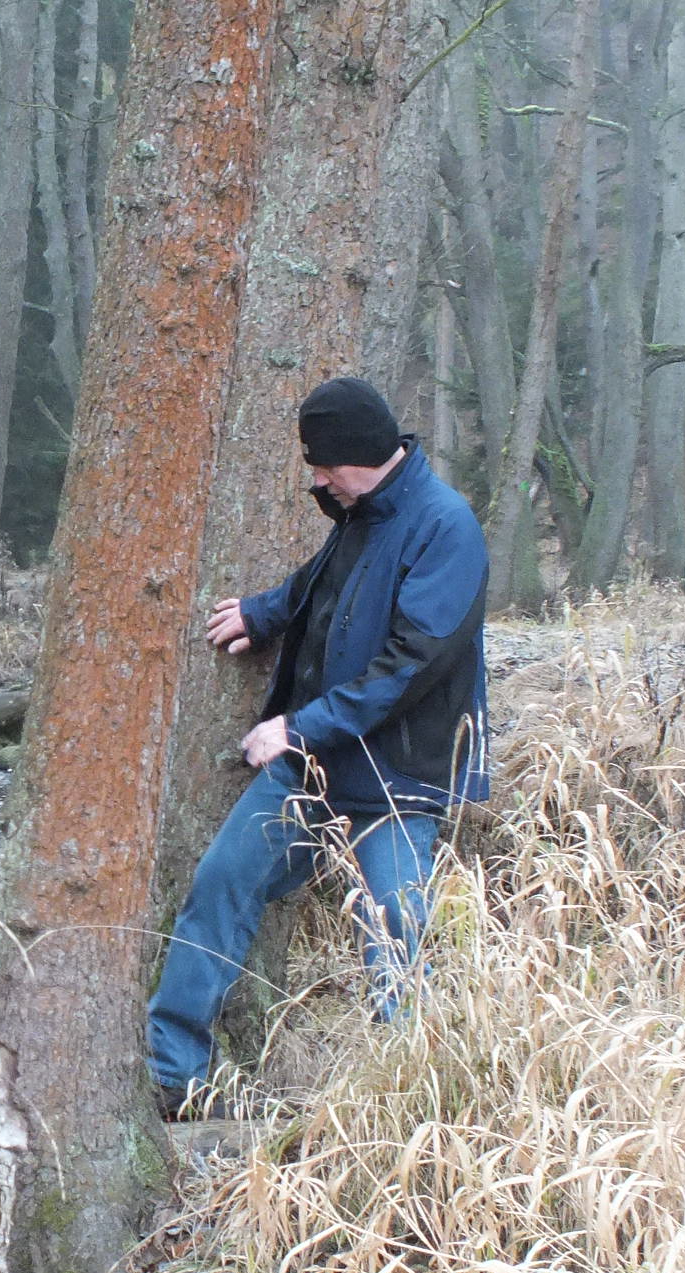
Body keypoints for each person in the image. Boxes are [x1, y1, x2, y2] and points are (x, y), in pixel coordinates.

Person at [147, 377, 489, 1110]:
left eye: (325, 464)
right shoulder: (361, 510)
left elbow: (412, 664)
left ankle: (407, 1110)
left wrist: (299, 727)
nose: (317, 478)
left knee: (396, 934)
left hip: (395, 784)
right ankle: (173, 1077)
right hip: (315, 770)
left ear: (363, 455)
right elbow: (324, 585)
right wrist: (263, 614)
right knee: (218, 886)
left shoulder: (447, 528)